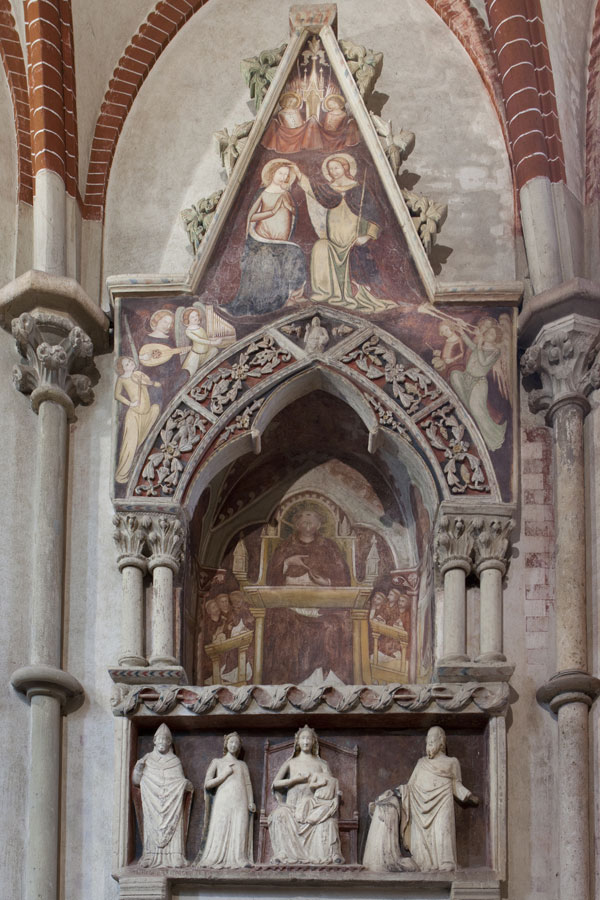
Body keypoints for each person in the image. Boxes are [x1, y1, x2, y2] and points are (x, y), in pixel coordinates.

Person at [364, 726, 478, 872]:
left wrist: (469, 796)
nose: (429, 742)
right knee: (422, 848)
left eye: (433, 739)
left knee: (443, 830)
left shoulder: (452, 762)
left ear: (441, 741)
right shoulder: (421, 763)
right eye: (427, 740)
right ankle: (424, 863)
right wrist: (393, 794)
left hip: (443, 801)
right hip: (420, 805)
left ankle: (446, 862)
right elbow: (410, 786)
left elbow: (456, 785)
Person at [297, 154, 394, 313]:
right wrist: (299, 175)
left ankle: (352, 293)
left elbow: (375, 215)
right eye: (330, 169)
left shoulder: (360, 189)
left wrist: (367, 236)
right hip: (333, 239)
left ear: (346, 167)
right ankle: (325, 293)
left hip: (353, 238)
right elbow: (312, 190)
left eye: (336, 167)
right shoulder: (328, 190)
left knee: (357, 256)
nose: (333, 171)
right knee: (319, 247)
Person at [227, 159, 306, 317]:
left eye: (286, 175)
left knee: (295, 255)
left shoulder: (287, 194)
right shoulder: (263, 192)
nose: (283, 177)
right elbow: (252, 216)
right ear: (272, 173)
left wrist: (289, 207)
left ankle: (289, 296)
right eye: (280, 173)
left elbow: (293, 214)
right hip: (262, 239)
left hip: (281, 240)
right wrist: (272, 211)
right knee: (266, 261)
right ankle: (264, 303)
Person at [269, 725, 343, 864]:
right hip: (292, 807)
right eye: (303, 738)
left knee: (328, 821)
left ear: (313, 741)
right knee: (279, 815)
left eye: (308, 738)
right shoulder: (291, 763)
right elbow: (275, 784)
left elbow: (330, 784)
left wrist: (329, 795)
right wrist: (294, 780)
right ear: (297, 741)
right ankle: (283, 854)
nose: (305, 742)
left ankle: (331, 854)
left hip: (314, 807)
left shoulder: (322, 764)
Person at [132, 724, 193, 868]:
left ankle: (175, 856)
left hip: (172, 803)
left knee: (175, 823)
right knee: (151, 825)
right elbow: (137, 782)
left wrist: (183, 784)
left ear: (169, 743)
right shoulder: (146, 760)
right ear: (154, 741)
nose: (162, 742)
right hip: (152, 802)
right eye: (159, 739)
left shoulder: (175, 761)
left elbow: (179, 780)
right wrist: (138, 770)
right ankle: (150, 856)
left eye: (165, 740)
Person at [195, 732, 255, 868]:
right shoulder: (217, 762)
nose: (233, 745)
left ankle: (239, 858)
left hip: (241, 800)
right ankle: (214, 858)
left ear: (239, 747)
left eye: (236, 743)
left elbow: (248, 784)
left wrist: (251, 801)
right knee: (221, 826)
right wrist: (223, 775)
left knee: (240, 826)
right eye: (231, 742)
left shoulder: (242, 765)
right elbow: (208, 784)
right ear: (226, 744)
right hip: (223, 800)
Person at [450, 321, 507, 451]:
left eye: (493, 334)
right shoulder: (478, 346)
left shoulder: (495, 351)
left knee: (478, 411)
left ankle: (491, 439)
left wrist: (480, 345)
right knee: (454, 375)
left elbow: (483, 361)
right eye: (489, 332)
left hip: (479, 383)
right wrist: (461, 330)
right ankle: (469, 427)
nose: (489, 335)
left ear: (496, 338)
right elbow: (468, 343)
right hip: (466, 377)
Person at [266, 508, 350, 587]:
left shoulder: (329, 546)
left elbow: (344, 576)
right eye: (304, 521)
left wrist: (327, 582)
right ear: (297, 525)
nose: (308, 524)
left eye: (312, 521)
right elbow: (270, 579)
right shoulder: (284, 546)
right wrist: (288, 562)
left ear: (318, 525)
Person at [114, 356, 160, 483]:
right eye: (127, 364)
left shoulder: (138, 374)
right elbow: (117, 395)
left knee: (156, 409)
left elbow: (151, 383)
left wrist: (152, 383)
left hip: (146, 412)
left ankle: (138, 459)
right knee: (130, 444)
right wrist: (130, 403)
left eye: (130, 361)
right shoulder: (122, 379)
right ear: (122, 369)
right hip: (134, 414)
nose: (130, 364)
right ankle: (122, 475)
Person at [180, 307, 221, 377]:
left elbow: (205, 338)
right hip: (196, 355)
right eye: (192, 317)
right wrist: (212, 342)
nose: (196, 318)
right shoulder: (188, 331)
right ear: (188, 320)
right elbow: (199, 340)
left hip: (205, 353)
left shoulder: (199, 327)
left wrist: (213, 340)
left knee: (215, 350)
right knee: (190, 375)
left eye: (196, 315)